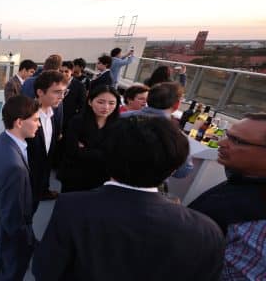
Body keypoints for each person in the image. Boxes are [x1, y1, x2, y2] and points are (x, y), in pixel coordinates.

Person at [32, 116, 225, 281]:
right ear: (173, 169)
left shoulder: (72, 207)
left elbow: (45, 271)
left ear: (108, 159)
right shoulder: (205, 231)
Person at [0, 95, 40, 281]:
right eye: (35, 120)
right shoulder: (14, 165)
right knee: (10, 273)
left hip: (2, 227)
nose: (38, 124)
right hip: (11, 235)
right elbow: (12, 214)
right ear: (19, 122)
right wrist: (27, 241)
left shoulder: (3, 140)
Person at [189, 113, 266, 234]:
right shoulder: (242, 180)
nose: (221, 143)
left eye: (237, 141)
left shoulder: (255, 222)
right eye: (227, 136)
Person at [58, 85, 120, 192]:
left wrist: (85, 150)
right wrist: (104, 153)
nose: (106, 107)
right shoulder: (77, 122)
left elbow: (117, 155)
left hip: (102, 180)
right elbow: (71, 151)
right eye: (100, 102)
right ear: (90, 102)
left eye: (111, 103)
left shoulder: (120, 126)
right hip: (74, 177)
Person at [28, 70, 68, 211]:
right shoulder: (25, 117)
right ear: (40, 92)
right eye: (57, 92)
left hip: (41, 179)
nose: (61, 97)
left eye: (64, 92)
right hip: (25, 183)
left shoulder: (55, 113)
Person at [60, 60, 86, 131]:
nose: (63, 74)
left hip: (70, 121)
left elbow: (83, 105)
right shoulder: (55, 84)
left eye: (66, 71)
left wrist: (76, 120)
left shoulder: (79, 86)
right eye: (61, 71)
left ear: (72, 71)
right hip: (56, 119)